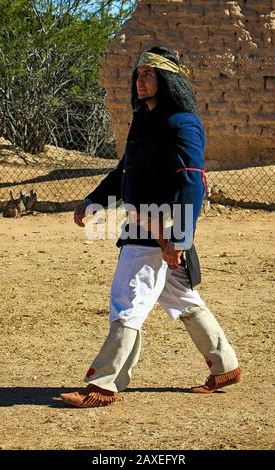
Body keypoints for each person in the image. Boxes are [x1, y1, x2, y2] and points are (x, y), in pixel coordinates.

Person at [60, 46, 241, 408]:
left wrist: (179, 238)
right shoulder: (144, 120)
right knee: (181, 298)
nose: (140, 81)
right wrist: (95, 201)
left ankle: (104, 384)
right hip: (143, 227)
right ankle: (224, 365)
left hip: (159, 230)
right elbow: (124, 172)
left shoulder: (183, 123)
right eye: (138, 74)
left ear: (168, 79)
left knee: (127, 300)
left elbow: (192, 182)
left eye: (149, 74)